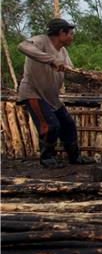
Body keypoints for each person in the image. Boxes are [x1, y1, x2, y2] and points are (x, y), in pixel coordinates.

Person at [17, 18, 93, 167]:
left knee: (68, 124)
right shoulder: (40, 41)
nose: (72, 36)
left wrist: (88, 77)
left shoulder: (63, 51)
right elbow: (22, 46)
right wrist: (51, 60)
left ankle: (74, 157)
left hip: (51, 96)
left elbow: (69, 72)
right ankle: (47, 159)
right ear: (61, 33)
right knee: (50, 125)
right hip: (34, 93)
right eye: (70, 33)